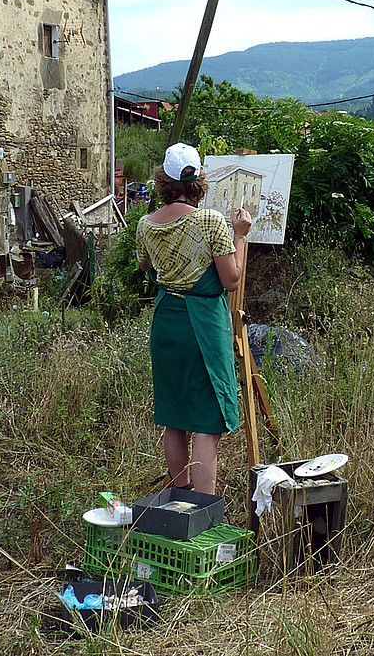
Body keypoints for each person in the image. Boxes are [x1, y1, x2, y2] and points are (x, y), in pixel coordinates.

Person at [135, 143, 251, 495]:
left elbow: (145, 265)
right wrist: (241, 236)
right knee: (205, 420)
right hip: (203, 323)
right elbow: (231, 280)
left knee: (174, 415)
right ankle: (204, 507)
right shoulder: (211, 221)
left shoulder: (145, 224)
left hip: (167, 321)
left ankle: (180, 498)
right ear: (199, 180)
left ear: (163, 181)